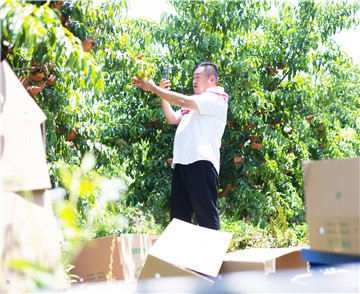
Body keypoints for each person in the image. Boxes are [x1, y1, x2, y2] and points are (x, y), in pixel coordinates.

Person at [132, 62, 228, 230]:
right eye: (193, 78)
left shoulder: (216, 98)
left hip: (201, 163)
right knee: (178, 220)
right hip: (182, 163)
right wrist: (163, 94)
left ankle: (214, 256)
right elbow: (171, 118)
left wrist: (154, 88)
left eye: (198, 77)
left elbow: (183, 100)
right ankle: (180, 256)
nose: (194, 81)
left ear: (212, 79)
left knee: (206, 218)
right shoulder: (194, 105)